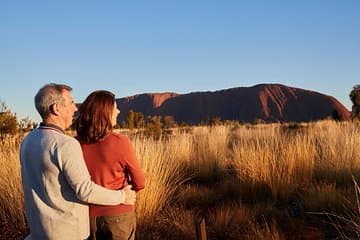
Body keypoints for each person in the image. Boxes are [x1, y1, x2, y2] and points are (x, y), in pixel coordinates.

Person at [20, 83, 136, 240]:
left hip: (39, 231)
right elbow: (85, 190)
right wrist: (122, 196)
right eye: (71, 103)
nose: (75, 108)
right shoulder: (65, 144)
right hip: (68, 232)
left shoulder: (28, 141)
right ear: (56, 108)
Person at [75, 90, 145, 240]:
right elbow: (140, 182)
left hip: (87, 217)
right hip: (118, 215)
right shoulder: (120, 142)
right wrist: (129, 192)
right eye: (115, 108)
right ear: (105, 112)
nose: (118, 111)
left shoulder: (74, 144)